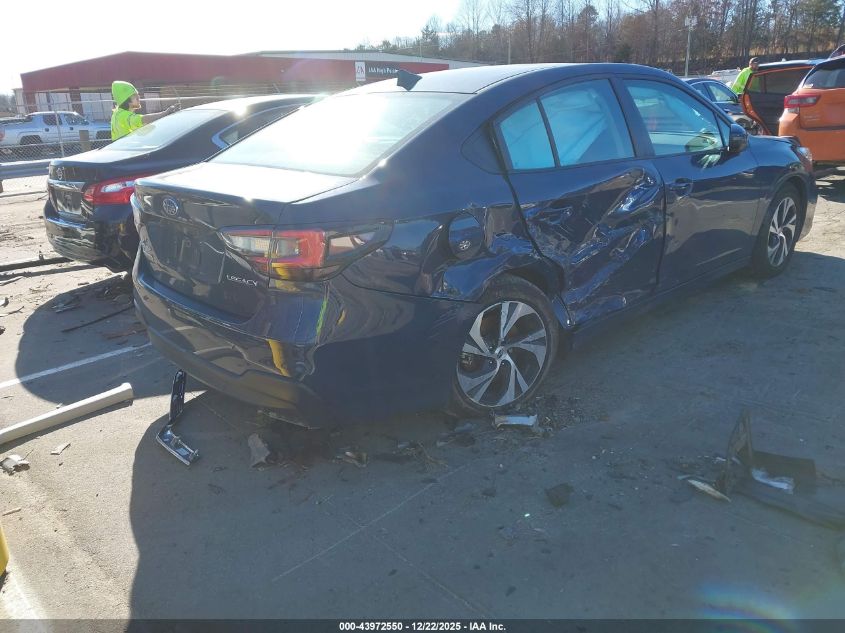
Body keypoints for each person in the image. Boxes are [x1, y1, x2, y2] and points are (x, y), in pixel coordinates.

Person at [110, 81, 178, 140]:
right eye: (135, 96)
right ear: (127, 100)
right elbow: (142, 119)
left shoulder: (118, 114)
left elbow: (140, 132)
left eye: (138, 95)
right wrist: (165, 113)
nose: (139, 98)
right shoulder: (123, 116)